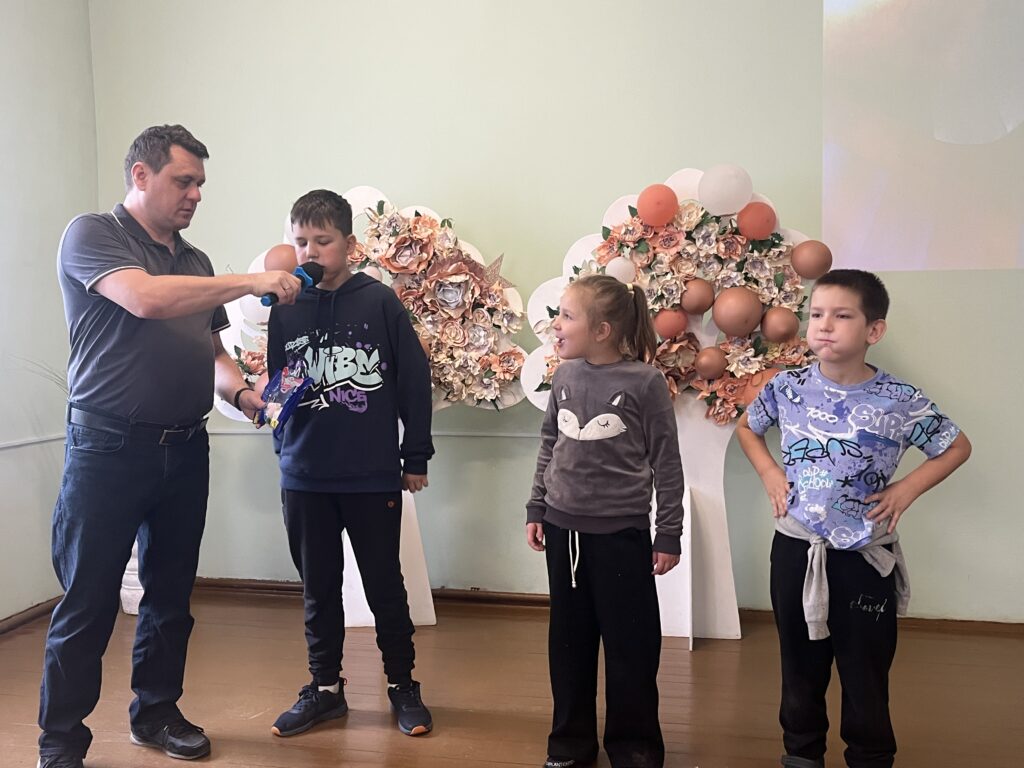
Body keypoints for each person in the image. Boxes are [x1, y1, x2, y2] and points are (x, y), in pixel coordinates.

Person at [40, 124, 303, 768]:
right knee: (88, 601)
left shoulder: (196, 262)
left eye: (200, 184)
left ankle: (156, 713)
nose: (195, 195)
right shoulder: (93, 234)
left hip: (184, 448)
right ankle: (61, 742)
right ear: (141, 175)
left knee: (170, 597)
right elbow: (145, 299)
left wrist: (244, 395)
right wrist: (253, 281)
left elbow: (211, 352)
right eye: (184, 181)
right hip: (106, 448)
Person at [735, 269, 972, 768]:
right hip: (796, 549)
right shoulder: (787, 387)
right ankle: (801, 753)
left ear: (874, 330)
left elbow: (955, 447)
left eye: (842, 315)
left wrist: (907, 488)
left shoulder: (900, 399)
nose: (824, 325)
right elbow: (748, 429)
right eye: (817, 314)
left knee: (865, 669)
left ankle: (870, 755)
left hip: (863, 556)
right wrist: (770, 473)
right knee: (800, 663)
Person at [264, 189, 435, 740]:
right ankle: (325, 689)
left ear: (350, 244)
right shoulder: (286, 308)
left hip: (370, 475)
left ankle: (402, 685)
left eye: (323, 240)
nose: (311, 252)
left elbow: (414, 381)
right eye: (301, 242)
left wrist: (415, 454)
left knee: (385, 584)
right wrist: (282, 445)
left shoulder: (379, 302)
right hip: (305, 477)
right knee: (318, 589)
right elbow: (281, 382)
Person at [526, 274, 684, 768]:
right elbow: (550, 444)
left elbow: (667, 462)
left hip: (622, 536)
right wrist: (537, 507)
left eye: (566, 316)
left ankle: (634, 747)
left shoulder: (645, 382)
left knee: (630, 648)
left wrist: (669, 532)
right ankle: (570, 744)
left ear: (602, 330)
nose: (556, 325)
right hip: (563, 533)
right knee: (568, 645)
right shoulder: (565, 376)